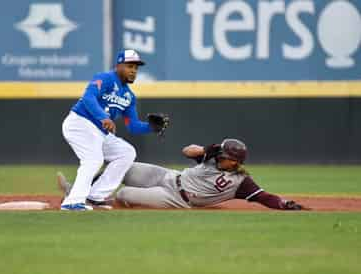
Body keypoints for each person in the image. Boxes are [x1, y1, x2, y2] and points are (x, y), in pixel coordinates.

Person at [58, 138, 307, 210]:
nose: (221, 157)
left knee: (125, 193)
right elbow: (186, 150)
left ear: (236, 162)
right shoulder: (211, 156)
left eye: (225, 156)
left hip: (177, 198)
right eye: (221, 153)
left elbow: (264, 197)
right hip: (167, 176)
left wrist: (285, 204)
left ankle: (104, 204)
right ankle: (78, 192)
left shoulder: (241, 182)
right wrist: (207, 149)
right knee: (124, 167)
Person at [60, 49, 168, 211]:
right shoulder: (105, 78)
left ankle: (95, 195)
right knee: (93, 160)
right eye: (129, 66)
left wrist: (151, 127)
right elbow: (89, 97)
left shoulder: (129, 97)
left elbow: (133, 126)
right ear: (118, 66)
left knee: (126, 152)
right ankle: (72, 202)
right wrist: (103, 117)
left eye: (136, 68)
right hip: (80, 123)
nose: (133, 71)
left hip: (99, 132)